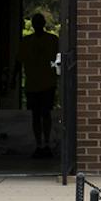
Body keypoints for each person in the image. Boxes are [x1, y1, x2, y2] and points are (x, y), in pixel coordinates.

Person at [15, 9, 61, 158]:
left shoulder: (53, 40)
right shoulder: (27, 42)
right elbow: (19, 61)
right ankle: (39, 144)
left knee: (45, 114)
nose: (38, 25)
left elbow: (61, 60)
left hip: (47, 83)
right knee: (36, 115)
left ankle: (46, 143)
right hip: (33, 84)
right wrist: (13, 79)